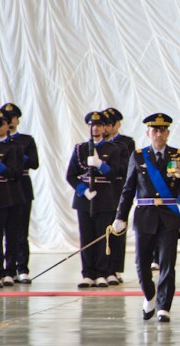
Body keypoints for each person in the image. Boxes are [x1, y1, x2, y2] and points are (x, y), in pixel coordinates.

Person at [111, 113, 180, 323]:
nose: (158, 134)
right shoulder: (138, 156)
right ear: (148, 133)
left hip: (169, 217)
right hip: (145, 216)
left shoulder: (179, 156)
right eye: (154, 130)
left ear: (167, 133)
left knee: (167, 263)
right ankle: (149, 295)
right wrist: (120, 216)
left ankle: (164, 307)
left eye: (162, 130)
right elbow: (128, 189)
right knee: (141, 262)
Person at [65, 111, 123, 288]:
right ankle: (87, 273)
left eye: (98, 125)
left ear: (105, 128)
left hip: (105, 198)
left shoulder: (114, 149)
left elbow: (116, 174)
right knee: (87, 237)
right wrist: (83, 190)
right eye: (92, 125)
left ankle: (101, 272)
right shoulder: (80, 149)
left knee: (102, 236)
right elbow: (71, 175)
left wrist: (101, 165)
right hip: (85, 200)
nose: (95, 128)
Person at [1, 103, 38, 285]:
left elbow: (34, 162)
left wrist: (16, 153)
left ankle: (22, 268)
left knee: (21, 231)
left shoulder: (25, 140)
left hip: (21, 184)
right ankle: (4, 268)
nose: (8, 122)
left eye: (11, 118)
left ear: (17, 120)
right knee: (1, 230)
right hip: (1, 186)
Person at [0, 109, 24, 288]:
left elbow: (16, 173)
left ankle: (10, 271)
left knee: (11, 235)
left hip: (9, 196)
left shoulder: (12, 147)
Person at [103, 107, 134, 284]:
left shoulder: (126, 143)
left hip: (118, 190)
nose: (105, 128)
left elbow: (128, 168)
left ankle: (115, 268)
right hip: (100, 193)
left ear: (117, 124)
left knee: (117, 229)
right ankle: (102, 268)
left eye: (109, 124)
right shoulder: (96, 143)